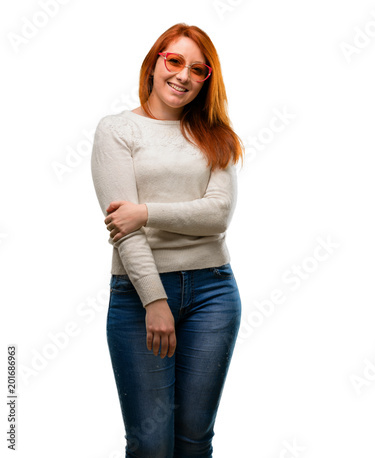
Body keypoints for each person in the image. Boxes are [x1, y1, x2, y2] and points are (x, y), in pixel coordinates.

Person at [91, 23, 242, 458]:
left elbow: (217, 216)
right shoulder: (117, 130)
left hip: (213, 291)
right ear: (155, 64)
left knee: (194, 441)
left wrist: (147, 212)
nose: (183, 76)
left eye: (199, 69)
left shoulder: (216, 136)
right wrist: (154, 300)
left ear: (207, 79)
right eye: (174, 61)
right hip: (139, 294)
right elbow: (124, 229)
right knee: (151, 446)